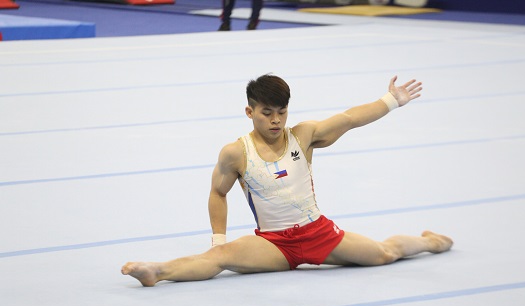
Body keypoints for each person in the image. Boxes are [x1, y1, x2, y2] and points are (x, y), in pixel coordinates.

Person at [121, 74, 453, 287]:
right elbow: (217, 193)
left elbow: (350, 119)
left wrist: (391, 100)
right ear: (250, 112)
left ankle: (429, 242)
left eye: (282, 111)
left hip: (318, 232)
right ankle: (157, 271)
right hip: (273, 244)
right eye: (267, 112)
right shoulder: (235, 153)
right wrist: (218, 240)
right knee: (217, 260)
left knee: (383, 253)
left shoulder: (304, 136)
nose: (276, 119)